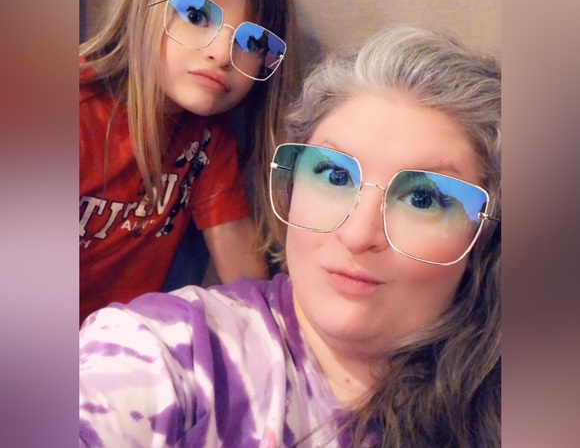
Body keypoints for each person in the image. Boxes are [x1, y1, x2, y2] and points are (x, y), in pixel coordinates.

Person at [79, 26, 501, 447]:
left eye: (424, 199)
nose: (356, 235)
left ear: (484, 236)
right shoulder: (168, 352)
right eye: (334, 176)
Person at [79, 0, 299, 324]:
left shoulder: (207, 134)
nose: (221, 54)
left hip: (122, 346)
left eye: (253, 43)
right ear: (146, 5)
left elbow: (245, 279)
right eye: (197, 16)